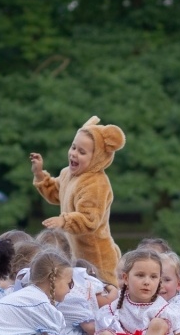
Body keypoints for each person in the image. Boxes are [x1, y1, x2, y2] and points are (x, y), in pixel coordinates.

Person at [31, 116, 125, 286]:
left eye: (82, 152)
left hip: (97, 258)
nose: (74, 153)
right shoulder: (68, 173)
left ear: (97, 158)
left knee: (105, 295)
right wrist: (39, 174)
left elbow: (89, 220)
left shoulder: (96, 184)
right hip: (76, 253)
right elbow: (56, 193)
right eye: (74, 147)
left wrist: (63, 220)